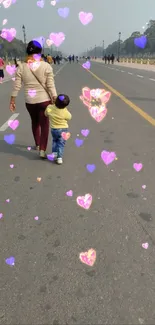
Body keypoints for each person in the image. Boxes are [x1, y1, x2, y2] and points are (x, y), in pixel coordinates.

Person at [9, 40, 57, 159]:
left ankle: (37, 143)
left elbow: (17, 85)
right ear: (40, 52)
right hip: (44, 100)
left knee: (35, 122)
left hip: (29, 102)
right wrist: (55, 97)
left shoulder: (21, 67)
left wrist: (12, 100)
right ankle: (42, 149)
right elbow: (50, 85)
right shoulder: (46, 66)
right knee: (44, 124)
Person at [44, 94, 72, 165]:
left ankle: (54, 154)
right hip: (63, 130)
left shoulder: (49, 107)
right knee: (61, 143)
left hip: (54, 129)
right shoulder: (65, 111)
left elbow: (46, 114)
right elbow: (69, 117)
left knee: (55, 141)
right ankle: (59, 158)